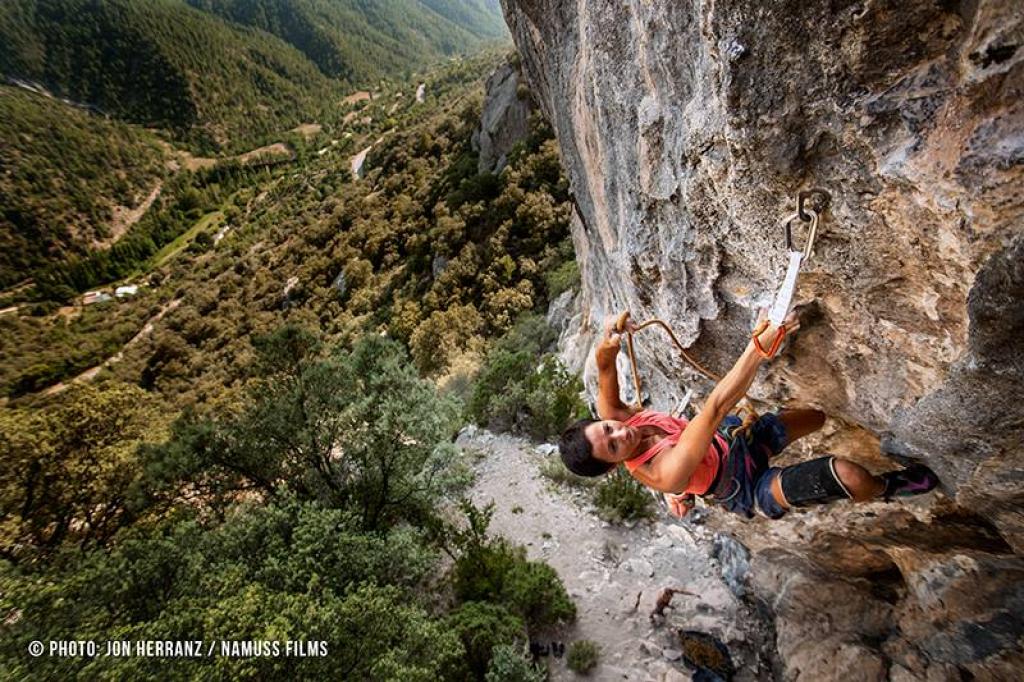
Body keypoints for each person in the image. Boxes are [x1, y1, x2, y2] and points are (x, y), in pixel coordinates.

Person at [558, 311, 940, 519]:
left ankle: (835, 440)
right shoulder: (662, 473)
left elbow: (605, 369)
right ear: (612, 468)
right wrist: (758, 347)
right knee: (851, 476)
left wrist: (610, 337)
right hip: (744, 486)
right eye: (611, 448)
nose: (620, 435)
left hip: (737, 438)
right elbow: (713, 408)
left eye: (608, 428)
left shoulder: (621, 419)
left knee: (818, 416)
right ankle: (889, 489)